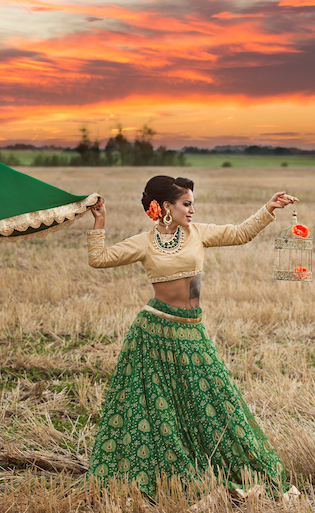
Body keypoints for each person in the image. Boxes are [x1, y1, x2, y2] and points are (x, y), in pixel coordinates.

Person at [85, 175, 299, 500]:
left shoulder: (198, 234)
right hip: (153, 333)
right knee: (157, 412)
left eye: (192, 203)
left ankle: (232, 472)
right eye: (186, 204)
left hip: (191, 330)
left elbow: (240, 234)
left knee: (216, 403)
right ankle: (164, 480)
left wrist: (268, 208)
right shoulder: (144, 243)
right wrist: (100, 221)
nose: (192, 210)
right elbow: (98, 259)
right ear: (166, 207)